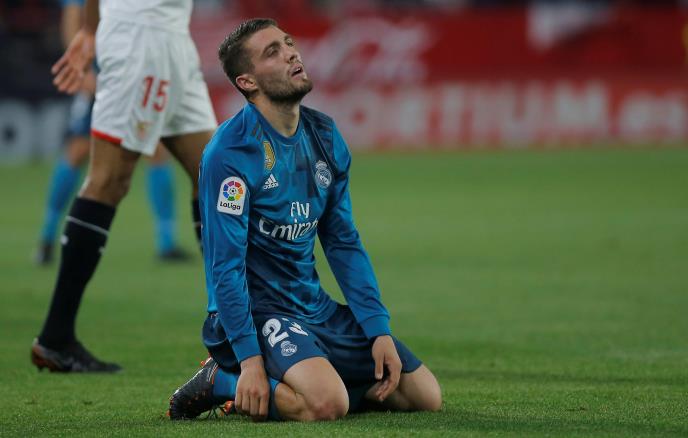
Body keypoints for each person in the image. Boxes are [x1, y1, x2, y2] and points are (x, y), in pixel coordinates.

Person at [168, 18, 442, 422]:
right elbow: (225, 266)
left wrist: (377, 327)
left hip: (314, 309)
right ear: (247, 82)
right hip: (258, 315)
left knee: (423, 395)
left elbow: (342, 241)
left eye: (288, 43)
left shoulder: (324, 136)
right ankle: (221, 379)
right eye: (272, 52)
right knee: (327, 405)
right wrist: (248, 360)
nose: (291, 53)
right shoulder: (230, 152)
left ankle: (316, 379)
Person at [31, 0, 217, 373]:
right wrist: (89, 29)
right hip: (139, 35)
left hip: (173, 34)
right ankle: (56, 337)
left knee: (214, 176)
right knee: (108, 180)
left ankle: (231, 329)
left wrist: (91, 28)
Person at [36, 0, 190, 266]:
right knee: (78, 151)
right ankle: (47, 237)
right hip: (102, 72)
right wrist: (83, 71)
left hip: (137, 72)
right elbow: (73, 18)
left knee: (155, 149)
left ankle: (166, 242)